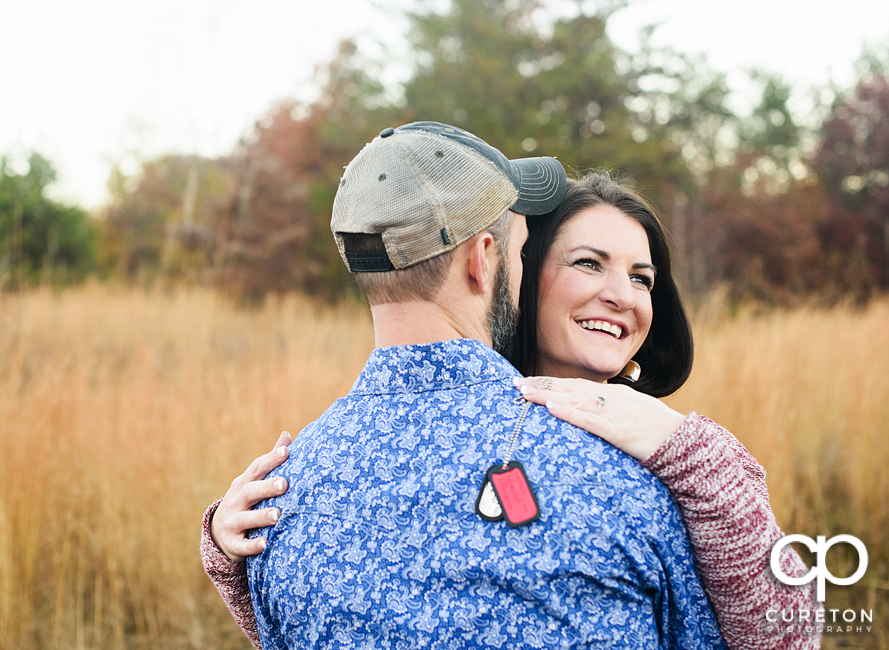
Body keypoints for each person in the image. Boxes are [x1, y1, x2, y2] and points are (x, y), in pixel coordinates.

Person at [203, 167, 820, 649]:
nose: (621, 296)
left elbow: (788, 633)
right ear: (512, 274)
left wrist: (698, 459)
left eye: (642, 277)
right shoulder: (425, 432)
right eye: (588, 264)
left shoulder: (668, 457)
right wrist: (238, 555)